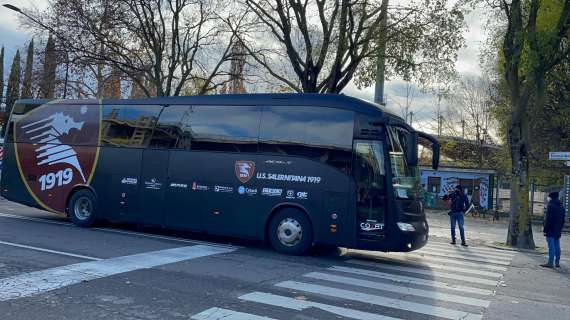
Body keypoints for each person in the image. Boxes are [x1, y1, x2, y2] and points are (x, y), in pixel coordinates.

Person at [541, 191, 566, 268]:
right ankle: (557, 262)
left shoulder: (550, 206)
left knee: (551, 246)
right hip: (558, 229)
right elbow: (563, 220)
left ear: (551, 197)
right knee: (557, 245)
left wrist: (545, 230)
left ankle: (550, 262)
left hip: (550, 229)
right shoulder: (561, 206)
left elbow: (548, 220)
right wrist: (560, 228)